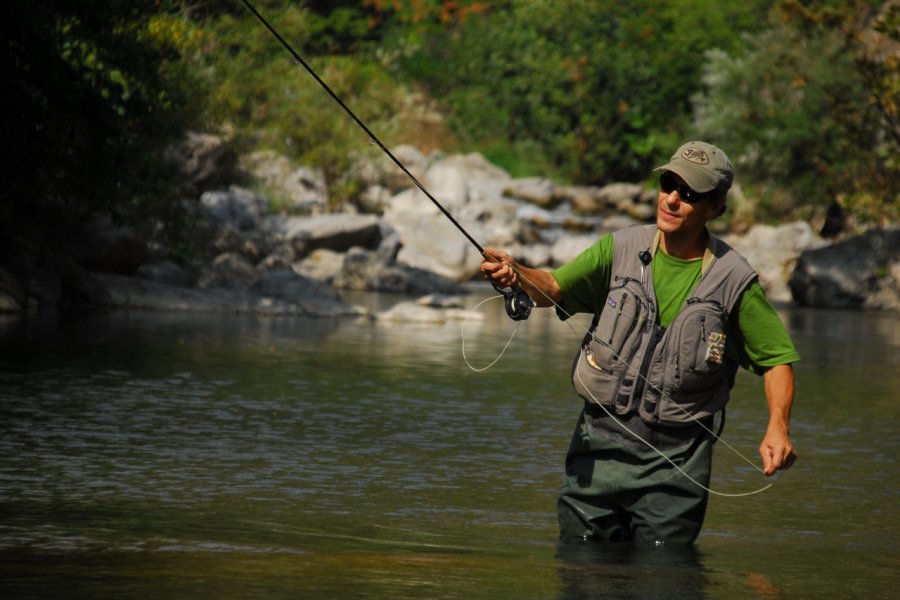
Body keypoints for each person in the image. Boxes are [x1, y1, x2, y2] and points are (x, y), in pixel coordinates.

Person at [480, 141, 799, 545]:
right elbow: (554, 286)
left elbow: (777, 361)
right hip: (596, 454)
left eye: (689, 194)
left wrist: (778, 429)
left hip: (676, 471)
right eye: (668, 184)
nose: (671, 199)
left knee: (661, 579)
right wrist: (515, 272)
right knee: (583, 575)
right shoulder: (621, 249)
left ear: (715, 207)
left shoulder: (734, 280)